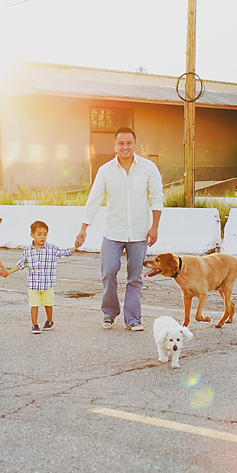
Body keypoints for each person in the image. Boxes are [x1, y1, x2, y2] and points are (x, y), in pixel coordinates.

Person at [74, 126, 164, 331]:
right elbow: (94, 200)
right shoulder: (105, 170)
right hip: (113, 232)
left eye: (129, 143)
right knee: (109, 271)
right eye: (121, 143)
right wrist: (83, 229)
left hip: (140, 233)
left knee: (135, 277)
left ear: (135, 144)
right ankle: (109, 313)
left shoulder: (148, 168)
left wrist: (154, 227)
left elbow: (157, 197)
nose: (125, 147)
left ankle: (133, 319)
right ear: (114, 145)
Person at [0, 220, 76, 334]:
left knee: (48, 304)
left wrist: (76, 246)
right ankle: (34, 324)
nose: (42, 237)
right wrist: (9, 272)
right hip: (33, 283)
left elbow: (65, 252)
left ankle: (49, 321)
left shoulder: (51, 248)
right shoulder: (28, 250)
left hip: (47, 283)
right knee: (34, 305)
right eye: (39, 234)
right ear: (32, 235)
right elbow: (21, 264)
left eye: (45, 234)